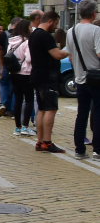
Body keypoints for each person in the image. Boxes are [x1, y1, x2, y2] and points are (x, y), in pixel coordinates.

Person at [27, 9, 68, 153]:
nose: (56, 27)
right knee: (51, 109)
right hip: (48, 76)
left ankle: (39, 141)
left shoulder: (33, 35)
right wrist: (70, 50)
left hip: (37, 75)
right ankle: (47, 142)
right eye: (55, 23)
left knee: (42, 109)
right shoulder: (45, 36)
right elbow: (57, 55)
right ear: (50, 21)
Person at [68, 0, 100, 159]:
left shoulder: (71, 31)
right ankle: (97, 149)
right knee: (98, 112)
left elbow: (71, 56)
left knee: (82, 114)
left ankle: (79, 148)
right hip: (96, 78)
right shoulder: (96, 31)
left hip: (80, 78)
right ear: (93, 13)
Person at [7, 18, 35, 137]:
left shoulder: (12, 42)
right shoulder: (27, 42)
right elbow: (29, 59)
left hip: (14, 73)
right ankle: (25, 126)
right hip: (26, 73)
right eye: (30, 27)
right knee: (28, 100)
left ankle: (17, 127)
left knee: (18, 100)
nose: (31, 29)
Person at [0, 22, 14, 118]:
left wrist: (0, 65)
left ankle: (3, 104)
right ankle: (12, 109)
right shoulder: (22, 35)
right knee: (13, 87)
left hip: (3, 63)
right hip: (17, 66)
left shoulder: (4, 35)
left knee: (3, 85)